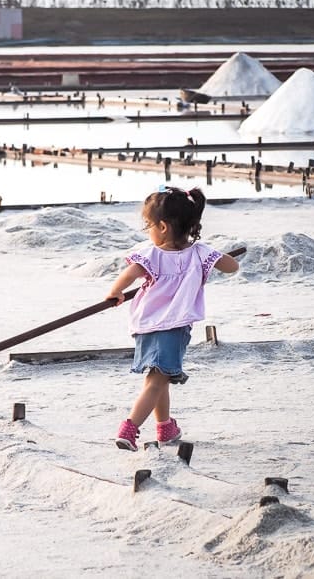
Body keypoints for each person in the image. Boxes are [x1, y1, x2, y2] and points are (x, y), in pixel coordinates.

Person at [105, 186, 239, 451]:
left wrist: (115, 292)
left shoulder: (151, 254)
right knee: (157, 380)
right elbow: (232, 267)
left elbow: (130, 274)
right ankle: (129, 429)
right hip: (173, 327)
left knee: (157, 379)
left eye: (149, 226)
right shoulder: (199, 253)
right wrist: (213, 256)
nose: (149, 232)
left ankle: (165, 428)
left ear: (163, 227)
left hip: (146, 324)